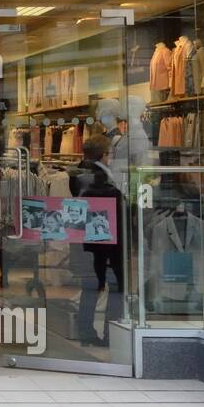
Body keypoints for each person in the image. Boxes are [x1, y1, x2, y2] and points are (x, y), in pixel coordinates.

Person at [68, 133, 126, 347]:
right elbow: (105, 199)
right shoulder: (97, 176)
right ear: (104, 155)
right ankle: (111, 333)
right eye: (109, 153)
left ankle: (86, 331)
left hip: (88, 239)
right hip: (105, 236)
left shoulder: (78, 172)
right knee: (115, 284)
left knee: (92, 285)